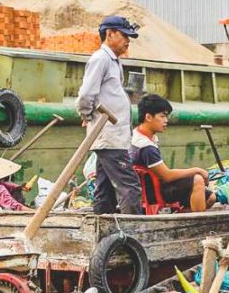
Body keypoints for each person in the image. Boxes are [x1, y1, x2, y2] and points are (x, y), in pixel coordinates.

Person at [76, 15, 143, 215]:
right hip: (110, 136)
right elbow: (86, 95)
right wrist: (86, 115)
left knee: (104, 190)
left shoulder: (113, 61)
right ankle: (134, 234)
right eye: (124, 36)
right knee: (130, 187)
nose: (127, 41)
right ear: (110, 34)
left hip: (113, 136)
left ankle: (101, 231)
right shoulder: (101, 58)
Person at [130, 94, 216, 212]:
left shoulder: (138, 133)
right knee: (198, 179)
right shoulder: (146, 147)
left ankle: (185, 216)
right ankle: (197, 221)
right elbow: (166, 175)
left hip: (158, 184)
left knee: (211, 197)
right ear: (148, 117)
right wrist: (197, 170)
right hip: (155, 191)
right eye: (162, 116)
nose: (166, 120)